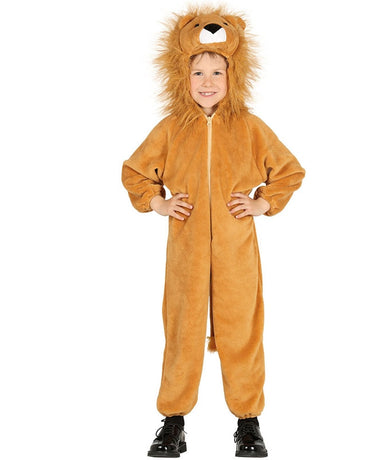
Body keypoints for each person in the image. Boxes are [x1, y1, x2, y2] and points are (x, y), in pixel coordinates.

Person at [121, 7, 305, 458]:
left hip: (237, 253)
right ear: (181, 77)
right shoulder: (170, 129)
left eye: (217, 72)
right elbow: (135, 172)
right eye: (198, 72)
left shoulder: (249, 127)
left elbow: (289, 171)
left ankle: (248, 422)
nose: (207, 81)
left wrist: (262, 202)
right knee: (182, 331)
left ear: (232, 76)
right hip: (185, 254)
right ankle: (173, 421)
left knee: (242, 330)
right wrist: (159, 202)